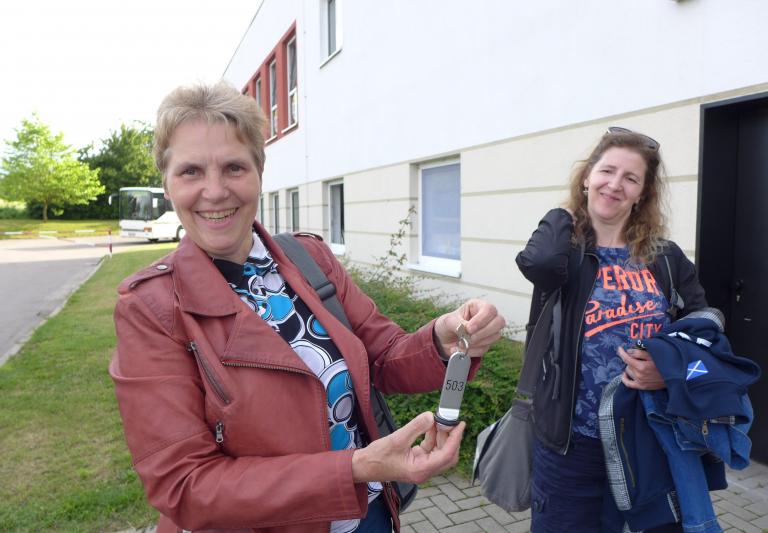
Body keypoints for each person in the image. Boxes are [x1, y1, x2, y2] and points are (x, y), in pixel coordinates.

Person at [109, 81, 505, 533]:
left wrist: (441, 338)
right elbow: (184, 484)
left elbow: (381, 355)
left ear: (259, 172)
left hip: (369, 516)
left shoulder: (308, 257)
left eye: (234, 167)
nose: (215, 191)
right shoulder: (152, 307)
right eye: (191, 172)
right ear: (166, 183)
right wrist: (355, 468)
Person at [515, 127, 709, 533]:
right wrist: (563, 213)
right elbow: (538, 264)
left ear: (642, 194)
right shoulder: (564, 254)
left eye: (631, 178)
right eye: (606, 171)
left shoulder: (665, 258)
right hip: (571, 448)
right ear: (587, 176)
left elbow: (707, 340)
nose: (615, 184)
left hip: (650, 441)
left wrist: (672, 372)